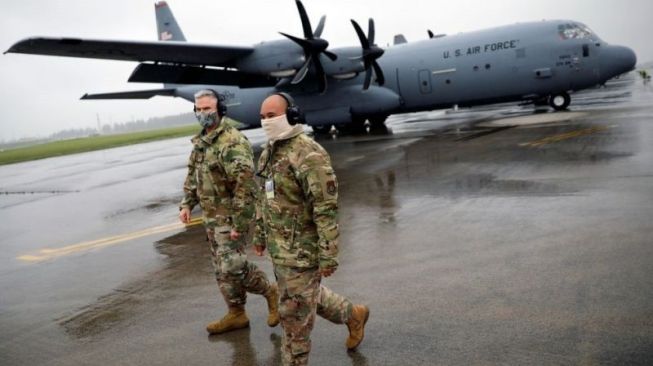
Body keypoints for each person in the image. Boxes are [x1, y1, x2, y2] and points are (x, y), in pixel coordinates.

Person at [254, 92, 370, 365]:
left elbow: (325, 207)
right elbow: (265, 198)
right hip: (280, 251)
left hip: (303, 252)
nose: (266, 122)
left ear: (291, 115)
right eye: (262, 117)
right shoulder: (269, 153)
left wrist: (328, 254)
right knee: (306, 297)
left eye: (271, 116)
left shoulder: (309, 153)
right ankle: (353, 315)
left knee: (293, 318)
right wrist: (259, 235)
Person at [179, 89, 279, 335]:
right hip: (212, 218)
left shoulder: (231, 141)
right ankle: (236, 313)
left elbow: (245, 185)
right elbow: (193, 175)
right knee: (221, 270)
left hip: (231, 216)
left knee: (232, 266)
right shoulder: (201, 142)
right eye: (199, 109)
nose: (203, 114)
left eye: (207, 109)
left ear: (220, 110)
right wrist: (186, 203)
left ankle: (270, 291)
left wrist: (241, 223)